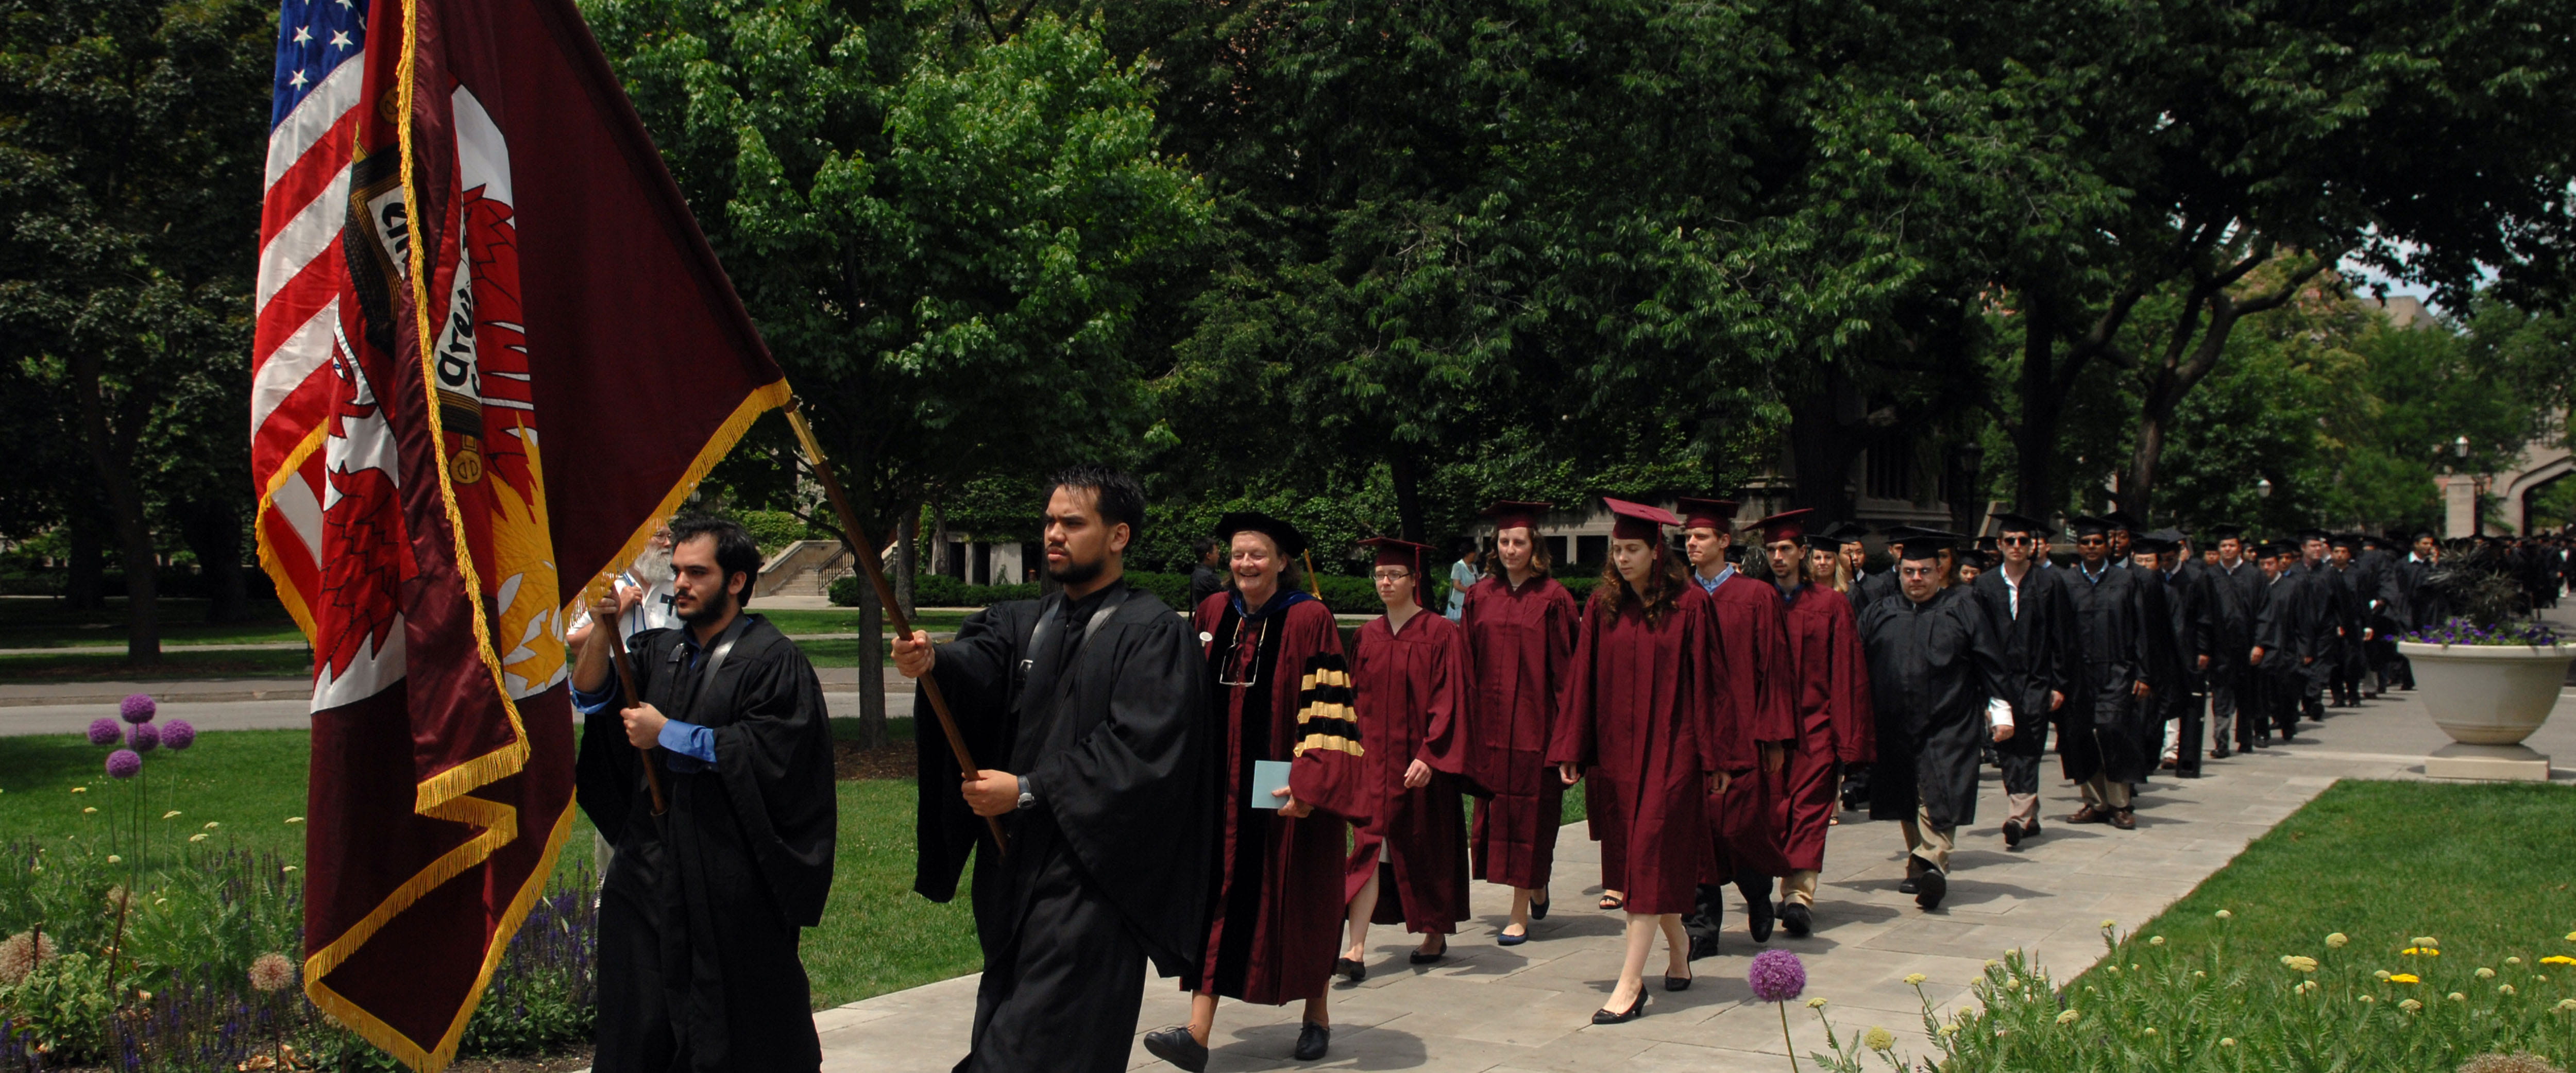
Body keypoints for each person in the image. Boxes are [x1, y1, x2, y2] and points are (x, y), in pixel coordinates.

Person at [895, 467, 1213, 1073]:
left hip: (1092, 878)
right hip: (1013, 870)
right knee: (1008, 1017)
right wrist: (936, 660)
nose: (1053, 535)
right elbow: (978, 669)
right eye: (1048, 521)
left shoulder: (1153, 634)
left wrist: (1027, 789)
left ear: (1119, 535)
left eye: (1072, 522)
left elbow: (1142, 751)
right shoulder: (1024, 621)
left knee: (1035, 1046)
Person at [571, 516, 836, 1073]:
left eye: (698, 572)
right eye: (677, 572)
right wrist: (604, 627)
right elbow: (592, 693)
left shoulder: (772, 661)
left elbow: (769, 752)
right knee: (636, 1016)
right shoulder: (658, 650)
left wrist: (666, 733)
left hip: (728, 871)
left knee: (735, 1021)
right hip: (648, 865)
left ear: (736, 580)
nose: (682, 583)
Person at [1146, 513, 1369, 1070]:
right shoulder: (1213, 613)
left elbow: (1330, 709)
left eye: (1258, 555)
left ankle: (1315, 1013)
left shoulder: (1309, 618)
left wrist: (1312, 782)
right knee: (1216, 896)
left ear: (1281, 562)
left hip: (1287, 792)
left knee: (1299, 900)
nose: (1246, 564)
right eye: (1238, 554)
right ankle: (1196, 1033)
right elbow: (1183, 695)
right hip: (1218, 790)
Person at [1550, 498, 1741, 1023]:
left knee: (1648, 856)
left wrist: (1718, 755)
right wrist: (1570, 747)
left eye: (1632, 548)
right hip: (1618, 755)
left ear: (1656, 552)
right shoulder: (1602, 606)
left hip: (1672, 751)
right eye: (1617, 549)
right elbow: (1581, 679)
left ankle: (1630, 984)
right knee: (1639, 861)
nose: (1623, 557)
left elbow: (1711, 684)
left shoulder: (1690, 606)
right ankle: (1677, 949)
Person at [1856, 529, 2014, 910]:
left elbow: (1990, 661)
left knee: (1940, 792)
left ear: (1940, 570)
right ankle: (1921, 861)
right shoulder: (1880, 612)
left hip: (1949, 719)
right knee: (1907, 794)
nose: (1916, 579)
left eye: (1924, 571)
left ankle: (1933, 861)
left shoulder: (1962, 609)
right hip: (1893, 721)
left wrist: (2001, 710)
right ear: (1899, 570)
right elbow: (1856, 665)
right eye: (1908, 571)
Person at [1338, 538, 1473, 978]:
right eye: (1379, 575)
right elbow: (1353, 698)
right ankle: (1355, 949)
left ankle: (1434, 929)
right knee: (1369, 847)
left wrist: (1431, 755)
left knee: (1423, 847)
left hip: (1418, 767)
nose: (1385, 582)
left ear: (1415, 580)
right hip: (1374, 765)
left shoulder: (1439, 633)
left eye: (1394, 575)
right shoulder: (1367, 636)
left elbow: (1448, 700)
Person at [1676, 496, 1793, 951]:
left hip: (1744, 735)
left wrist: (1775, 737)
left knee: (1739, 827)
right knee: (1696, 833)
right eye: (1688, 536)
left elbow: (1775, 670)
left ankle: (1758, 892)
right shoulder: (1681, 598)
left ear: (1725, 541)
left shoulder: (1756, 597)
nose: (1692, 543)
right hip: (1692, 739)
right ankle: (1702, 927)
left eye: (1701, 536)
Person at [1459, 501, 1577, 945]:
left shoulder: (1554, 599)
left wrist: (1569, 741)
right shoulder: (1479, 596)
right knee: (1495, 814)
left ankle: (1518, 912)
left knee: (1530, 817)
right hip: (1489, 729)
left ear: (1535, 546)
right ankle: (1535, 885)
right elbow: (1466, 664)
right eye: (1504, 541)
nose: (1510, 549)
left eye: (1519, 542)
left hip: (1535, 728)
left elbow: (1568, 676)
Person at [1753, 509, 1873, 938]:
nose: (1779, 557)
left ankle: (1798, 896)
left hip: (1815, 726)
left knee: (1809, 811)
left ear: (1803, 552)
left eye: (1786, 548)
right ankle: (1763, 887)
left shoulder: (1831, 605)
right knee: (1771, 811)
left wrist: (1848, 736)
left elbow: (1847, 673)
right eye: (1771, 550)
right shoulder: (1756, 600)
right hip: (1767, 731)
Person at [1969, 513, 2074, 848]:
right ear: (1999, 545)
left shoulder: (2050, 582)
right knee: (2007, 745)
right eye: (2010, 540)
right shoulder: (1984, 586)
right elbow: (1977, 636)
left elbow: (2062, 634)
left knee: (2029, 745)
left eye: (2023, 541)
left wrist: (2059, 683)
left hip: (2036, 677)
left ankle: (2017, 815)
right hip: (1998, 679)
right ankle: (2028, 813)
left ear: (2033, 546)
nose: (2017, 546)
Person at [2056, 517, 2158, 831]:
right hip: (2078, 673)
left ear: (2107, 545)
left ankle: (2121, 804)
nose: (2091, 548)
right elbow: (2057, 632)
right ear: (2078, 547)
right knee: (2081, 735)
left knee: (2115, 731)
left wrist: (2144, 673)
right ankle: (2095, 802)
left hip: (2117, 669)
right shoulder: (2066, 582)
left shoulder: (2125, 580)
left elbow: (2142, 629)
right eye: (2086, 543)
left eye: (2097, 542)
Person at [2139, 531, 2213, 777]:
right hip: (2160, 652)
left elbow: (2204, 616)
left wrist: (2203, 649)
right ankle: (2155, 754)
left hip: (2186, 649)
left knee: (2181, 703)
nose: (2166, 563)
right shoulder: (2152, 582)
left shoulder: (2195, 578)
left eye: (2170, 558)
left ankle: (2175, 751)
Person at [2202, 525, 2264, 758]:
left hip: (2247, 646)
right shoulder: (2210, 576)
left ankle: (2246, 739)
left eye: (2232, 545)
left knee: (2246, 694)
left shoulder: (2254, 575)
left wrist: (2260, 644)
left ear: (2239, 548)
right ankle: (2221, 741)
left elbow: (2264, 613)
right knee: (2221, 696)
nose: (2228, 549)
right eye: (2224, 546)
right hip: (2220, 647)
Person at [566, 519, 679, 647]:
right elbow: (575, 643)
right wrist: (619, 611)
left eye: (670, 536)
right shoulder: (604, 584)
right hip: (618, 666)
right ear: (636, 540)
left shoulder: (678, 583)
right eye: (659, 536)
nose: (668, 543)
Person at [1188, 536, 1229, 610]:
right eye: (1217, 553)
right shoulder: (1208, 577)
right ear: (1209, 556)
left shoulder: (1196, 573)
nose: (1218, 556)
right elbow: (1230, 595)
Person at [1447, 540, 1482, 620]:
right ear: (1467, 553)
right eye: (1474, 552)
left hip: (1471, 602)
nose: (1475, 554)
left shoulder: (1474, 567)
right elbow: (1457, 585)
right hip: (1459, 604)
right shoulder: (1458, 566)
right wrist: (1471, 591)